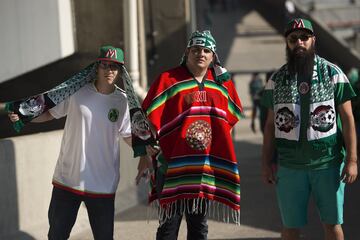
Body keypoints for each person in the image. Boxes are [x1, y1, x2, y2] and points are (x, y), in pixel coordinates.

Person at [8, 45, 147, 240]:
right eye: (105, 65)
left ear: (120, 72)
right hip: (67, 179)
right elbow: (49, 113)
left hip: (102, 184)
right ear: (97, 67)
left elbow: (127, 135)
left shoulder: (123, 101)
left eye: (114, 67)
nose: (109, 71)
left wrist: (146, 153)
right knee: (57, 235)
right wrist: (25, 117)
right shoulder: (77, 91)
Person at [140, 30, 243, 240]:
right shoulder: (168, 80)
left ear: (213, 56)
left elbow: (229, 118)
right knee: (169, 226)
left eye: (206, 50)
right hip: (170, 167)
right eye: (196, 50)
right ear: (187, 52)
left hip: (203, 168)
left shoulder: (221, 84)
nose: (201, 54)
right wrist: (148, 144)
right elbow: (145, 116)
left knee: (199, 227)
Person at [261, 18, 358, 240]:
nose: (300, 42)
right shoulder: (276, 80)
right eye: (294, 39)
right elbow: (269, 126)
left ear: (313, 40)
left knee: (332, 224)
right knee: (290, 228)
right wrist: (266, 163)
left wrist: (352, 160)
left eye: (304, 37)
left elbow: (348, 119)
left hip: (328, 164)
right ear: (287, 43)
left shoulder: (333, 74)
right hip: (290, 166)